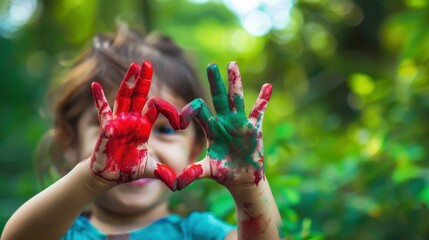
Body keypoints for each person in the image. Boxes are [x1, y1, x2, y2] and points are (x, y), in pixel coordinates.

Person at [1, 24, 283, 240]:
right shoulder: (58, 229)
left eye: (165, 130)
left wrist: (249, 187)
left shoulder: (197, 232)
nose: (139, 147)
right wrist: (91, 179)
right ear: (70, 142)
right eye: (113, 130)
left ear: (195, 148)